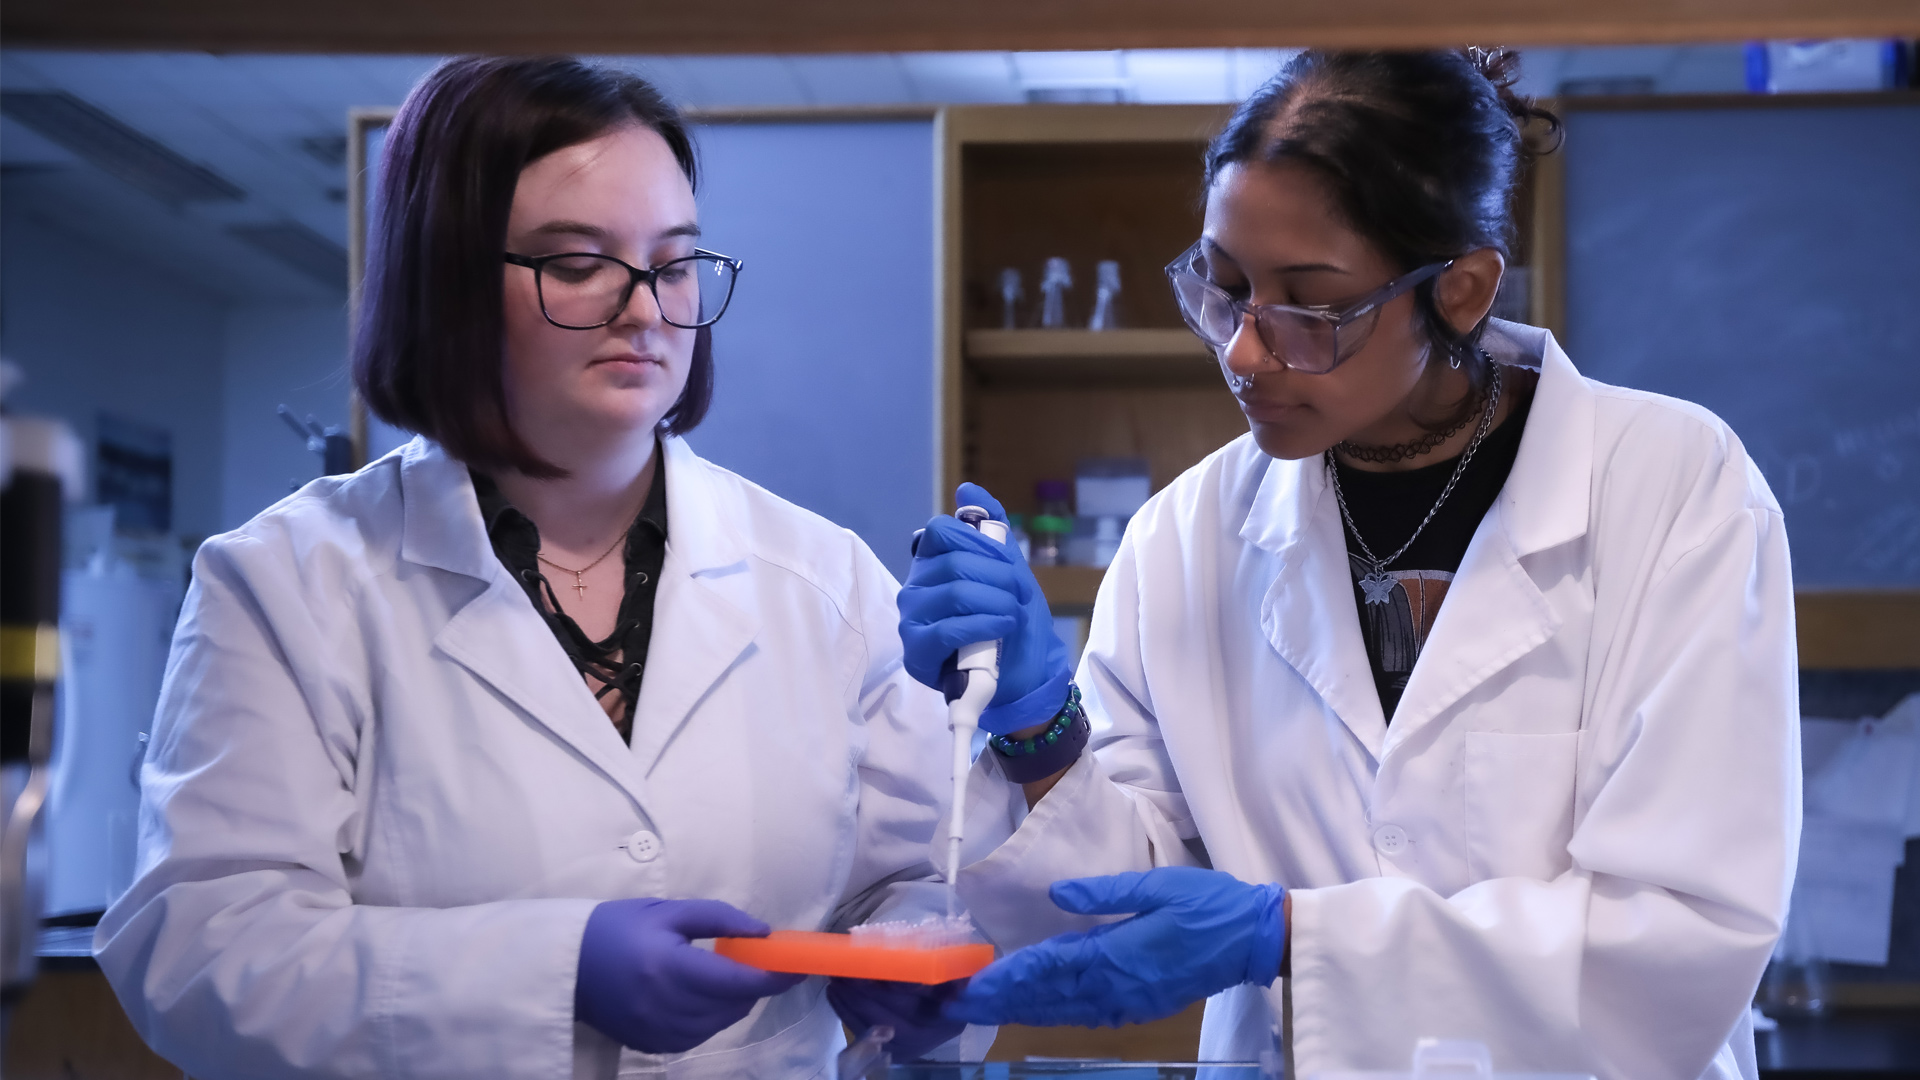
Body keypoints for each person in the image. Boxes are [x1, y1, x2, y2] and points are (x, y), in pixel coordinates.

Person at [899, 49, 1798, 1080]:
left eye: (1308, 307)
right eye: (1223, 288)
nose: (1244, 349)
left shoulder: (1671, 489)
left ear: (1459, 291)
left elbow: (1685, 932)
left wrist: (1289, 938)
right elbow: (1128, 899)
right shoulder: (1184, 536)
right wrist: (1034, 726)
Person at [95, 56, 971, 1079]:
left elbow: (914, 880)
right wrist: (557, 973)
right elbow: (203, 956)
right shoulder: (289, 583)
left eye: (674, 263)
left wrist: (918, 961)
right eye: (575, 264)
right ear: (450, 282)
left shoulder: (827, 581)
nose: (645, 310)